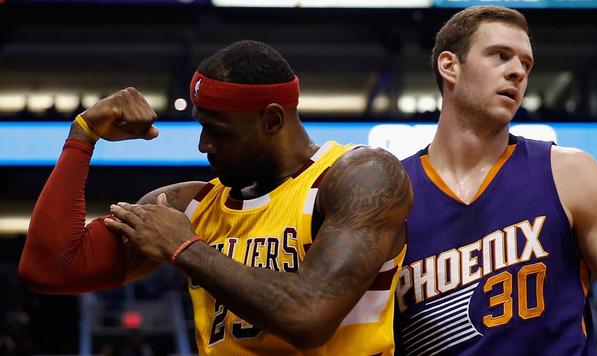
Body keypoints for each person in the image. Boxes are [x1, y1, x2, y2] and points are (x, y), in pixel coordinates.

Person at [18, 40, 413, 355]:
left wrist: (185, 247)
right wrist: (83, 135)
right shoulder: (190, 204)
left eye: (218, 130)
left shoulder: (360, 176)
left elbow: (308, 318)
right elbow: (50, 268)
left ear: (272, 120)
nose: (204, 145)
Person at [395, 6, 597, 355]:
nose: (517, 72)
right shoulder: (391, 193)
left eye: (526, 65)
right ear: (450, 66)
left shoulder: (571, 174)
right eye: (500, 56)